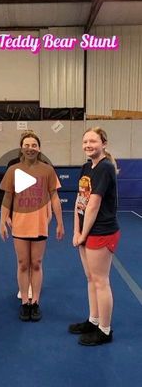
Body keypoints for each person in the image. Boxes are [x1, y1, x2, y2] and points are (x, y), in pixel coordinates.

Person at [0, 131, 64, 321]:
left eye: (34, 145)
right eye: (27, 145)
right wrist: (2, 220)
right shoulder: (13, 170)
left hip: (39, 223)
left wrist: (60, 222)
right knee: (22, 264)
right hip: (20, 224)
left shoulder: (47, 170)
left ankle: (35, 302)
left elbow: (54, 196)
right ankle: (24, 302)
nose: (30, 148)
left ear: (39, 148)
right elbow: (8, 196)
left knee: (36, 264)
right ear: (21, 148)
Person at [69, 127, 120, 346]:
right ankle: (94, 319)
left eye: (93, 141)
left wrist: (83, 234)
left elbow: (94, 204)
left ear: (104, 144)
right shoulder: (87, 167)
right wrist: (75, 230)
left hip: (101, 230)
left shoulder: (105, 168)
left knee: (101, 280)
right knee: (91, 278)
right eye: (85, 141)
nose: (88, 145)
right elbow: (81, 202)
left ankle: (105, 330)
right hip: (87, 231)